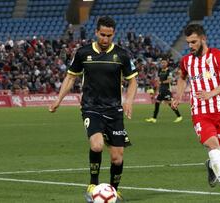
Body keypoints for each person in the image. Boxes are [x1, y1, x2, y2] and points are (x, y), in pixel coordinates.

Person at [49, 16, 138, 202]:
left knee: (117, 158)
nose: (105, 39)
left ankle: (113, 191)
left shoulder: (121, 55)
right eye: (102, 35)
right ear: (96, 32)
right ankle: (93, 183)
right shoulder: (83, 53)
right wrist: (58, 100)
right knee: (96, 145)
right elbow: (71, 77)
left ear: (114, 34)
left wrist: (129, 101)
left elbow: (132, 81)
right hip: (91, 107)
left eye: (109, 36)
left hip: (114, 110)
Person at [171, 24, 220, 202]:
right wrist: (178, 96)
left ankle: (211, 165)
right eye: (188, 42)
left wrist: (210, 93)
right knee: (214, 148)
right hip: (200, 113)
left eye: (193, 42)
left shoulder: (218, 56)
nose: (190, 45)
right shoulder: (186, 61)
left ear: (203, 39)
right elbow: (182, 78)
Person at [145, 57, 182, 123]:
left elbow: (170, 80)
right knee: (157, 103)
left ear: (167, 63)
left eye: (164, 62)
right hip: (161, 90)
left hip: (167, 90)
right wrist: (155, 91)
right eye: (162, 62)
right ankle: (154, 118)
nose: (163, 64)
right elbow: (158, 81)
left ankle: (179, 116)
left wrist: (161, 82)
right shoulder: (160, 70)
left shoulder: (168, 71)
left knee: (171, 104)